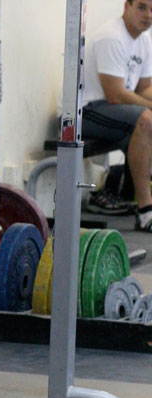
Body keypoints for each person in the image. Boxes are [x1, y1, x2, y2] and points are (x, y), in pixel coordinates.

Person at [81, 0, 152, 228]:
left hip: (113, 111)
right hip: (84, 113)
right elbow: (116, 96)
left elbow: (144, 89)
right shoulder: (112, 37)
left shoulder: (144, 40)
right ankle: (146, 212)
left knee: (145, 118)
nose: (148, 15)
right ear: (127, 6)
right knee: (146, 120)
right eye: (142, 7)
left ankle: (123, 193)